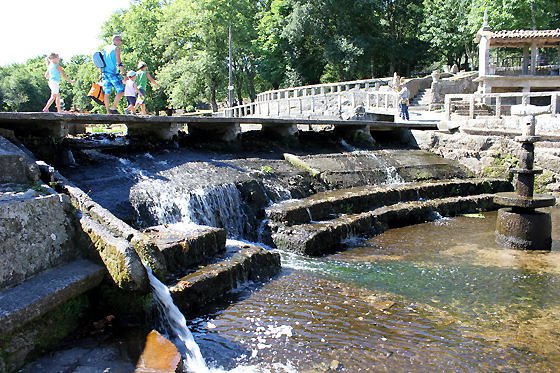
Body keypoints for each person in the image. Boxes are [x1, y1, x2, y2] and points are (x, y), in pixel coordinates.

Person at [100, 35, 127, 114]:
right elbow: (119, 63)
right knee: (121, 90)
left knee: (106, 93)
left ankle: (108, 111)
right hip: (112, 73)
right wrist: (124, 75)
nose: (121, 42)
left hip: (105, 73)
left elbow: (100, 62)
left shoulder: (104, 48)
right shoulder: (116, 49)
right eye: (121, 40)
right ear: (116, 40)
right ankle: (113, 107)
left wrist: (101, 74)